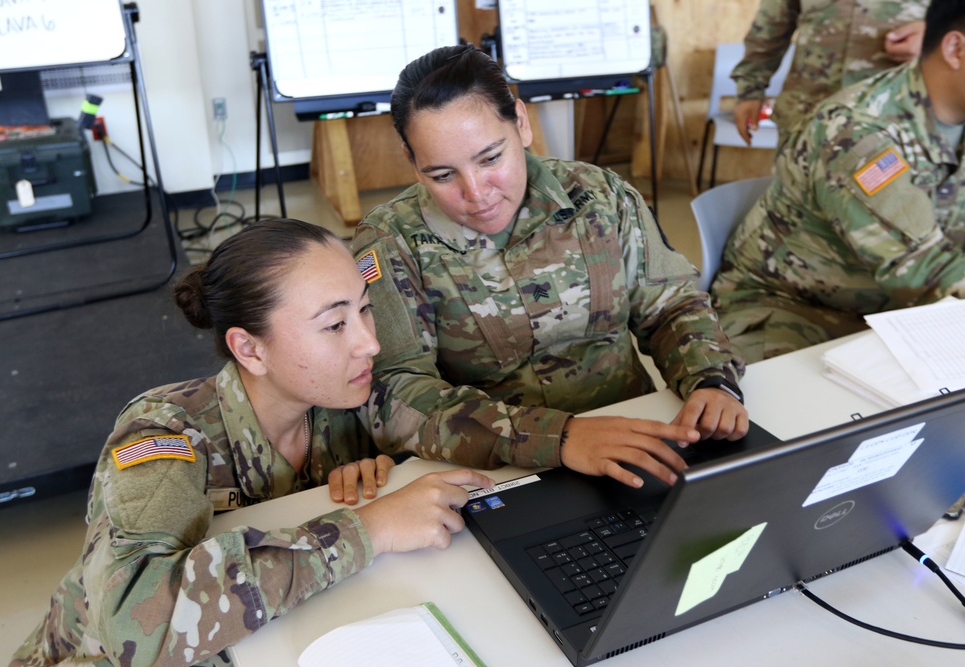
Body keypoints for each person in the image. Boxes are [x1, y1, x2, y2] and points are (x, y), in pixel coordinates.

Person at [10, 218, 494, 667]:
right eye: (334, 325)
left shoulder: (337, 399)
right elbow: (135, 623)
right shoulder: (166, 435)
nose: (369, 342)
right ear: (249, 348)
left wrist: (367, 487)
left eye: (365, 310)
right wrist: (366, 529)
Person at [350, 44, 748, 493]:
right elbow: (394, 390)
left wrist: (712, 380)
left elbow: (670, 305)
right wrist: (554, 438)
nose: (476, 192)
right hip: (501, 473)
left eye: (490, 158)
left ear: (521, 122)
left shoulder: (599, 195)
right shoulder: (392, 242)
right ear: (411, 160)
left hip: (639, 441)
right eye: (443, 175)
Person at [712, 0, 965, 364]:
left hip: (890, 304)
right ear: (955, 48)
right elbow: (926, 273)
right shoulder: (860, 136)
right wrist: (751, 86)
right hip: (796, 309)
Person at [732, 0, 929, 149]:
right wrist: (749, 89)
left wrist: (933, 37)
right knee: (793, 201)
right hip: (806, 118)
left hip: (897, 121)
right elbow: (772, 22)